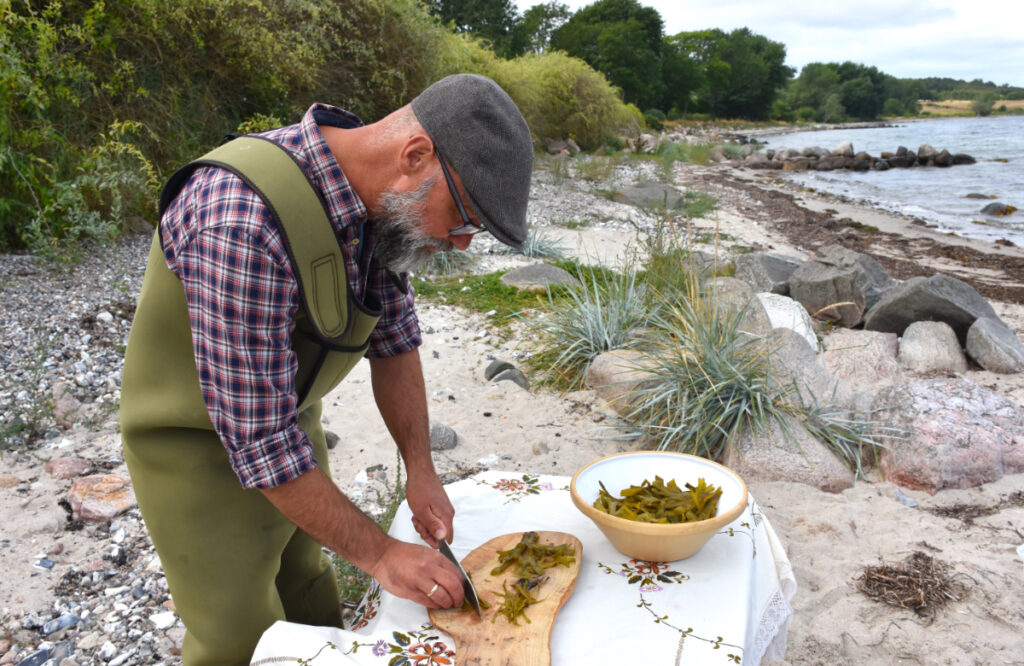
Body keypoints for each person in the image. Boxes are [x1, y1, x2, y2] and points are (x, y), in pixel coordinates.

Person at [119, 73, 533, 665]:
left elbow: (395, 342)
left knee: (310, 594)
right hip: (193, 451)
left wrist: (420, 469)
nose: (462, 244)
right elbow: (259, 441)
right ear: (416, 156)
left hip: (287, 424)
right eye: (463, 219)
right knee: (239, 636)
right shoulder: (239, 223)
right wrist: (383, 554)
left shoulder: (380, 204)